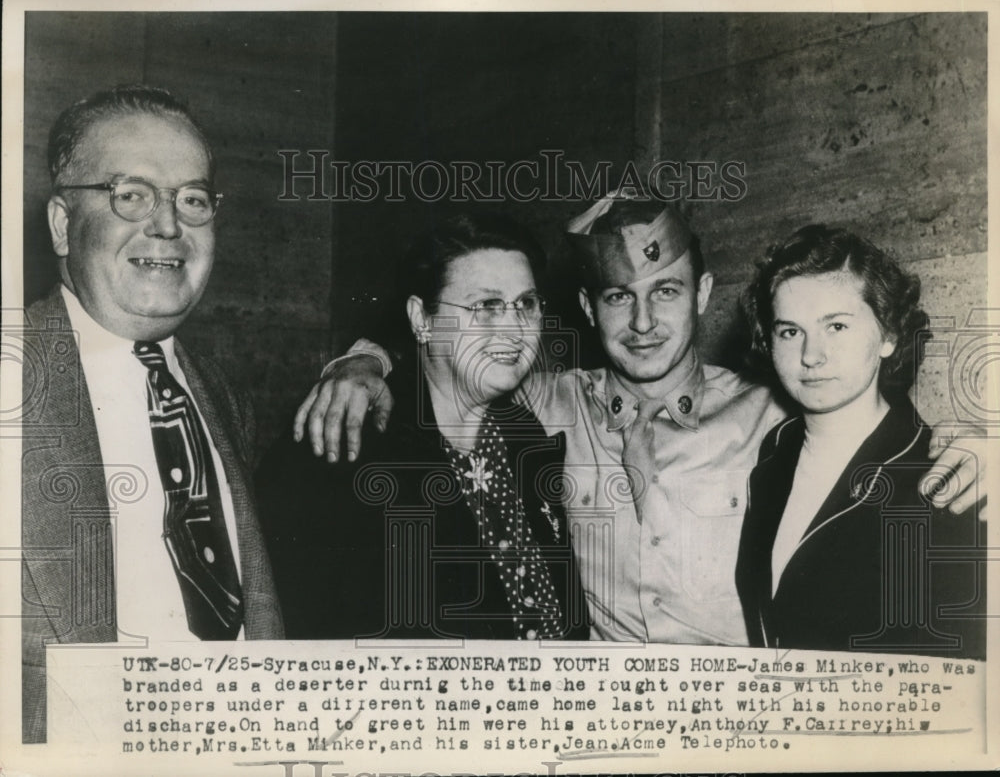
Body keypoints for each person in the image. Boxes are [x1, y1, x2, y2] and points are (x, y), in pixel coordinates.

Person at [294, 193, 985, 645]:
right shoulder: (539, 405)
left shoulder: (774, 413)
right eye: (620, 297)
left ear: (704, 295)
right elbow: (457, 361)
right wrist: (365, 361)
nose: (646, 322)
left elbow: (871, 425)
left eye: (668, 292)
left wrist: (978, 447)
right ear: (590, 311)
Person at [20, 86, 283, 744]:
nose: (168, 225)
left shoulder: (224, 397)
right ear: (61, 223)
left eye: (192, 199)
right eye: (131, 195)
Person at [258, 213, 589, 640]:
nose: (514, 328)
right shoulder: (344, 437)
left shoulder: (526, 433)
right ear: (422, 318)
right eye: (486, 306)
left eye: (526, 303)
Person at [735, 225, 986, 657]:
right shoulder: (775, 453)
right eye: (789, 332)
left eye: (836, 326)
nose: (811, 355)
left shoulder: (947, 477)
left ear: (888, 335)